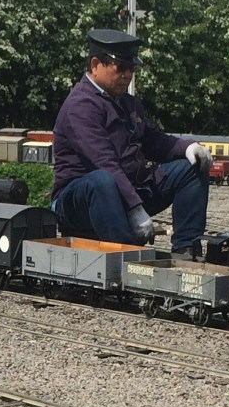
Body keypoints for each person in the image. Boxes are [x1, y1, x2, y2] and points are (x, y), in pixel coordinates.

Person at [49, 29, 211, 258]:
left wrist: (188, 148)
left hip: (126, 190)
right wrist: (135, 209)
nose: (127, 75)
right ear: (96, 64)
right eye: (120, 67)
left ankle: (185, 250)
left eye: (132, 68)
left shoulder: (128, 103)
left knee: (190, 169)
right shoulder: (81, 106)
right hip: (81, 201)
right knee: (101, 180)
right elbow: (103, 162)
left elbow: (153, 140)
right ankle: (127, 256)